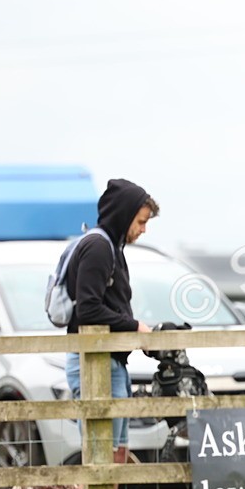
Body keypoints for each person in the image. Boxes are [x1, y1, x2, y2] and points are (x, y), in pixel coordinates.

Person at [64, 178, 158, 466]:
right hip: (95, 363)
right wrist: (135, 327)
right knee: (100, 459)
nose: (144, 229)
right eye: (141, 221)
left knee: (116, 456)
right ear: (124, 215)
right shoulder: (99, 248)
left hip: (111, 361)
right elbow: (88, 310)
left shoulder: (111, 247)